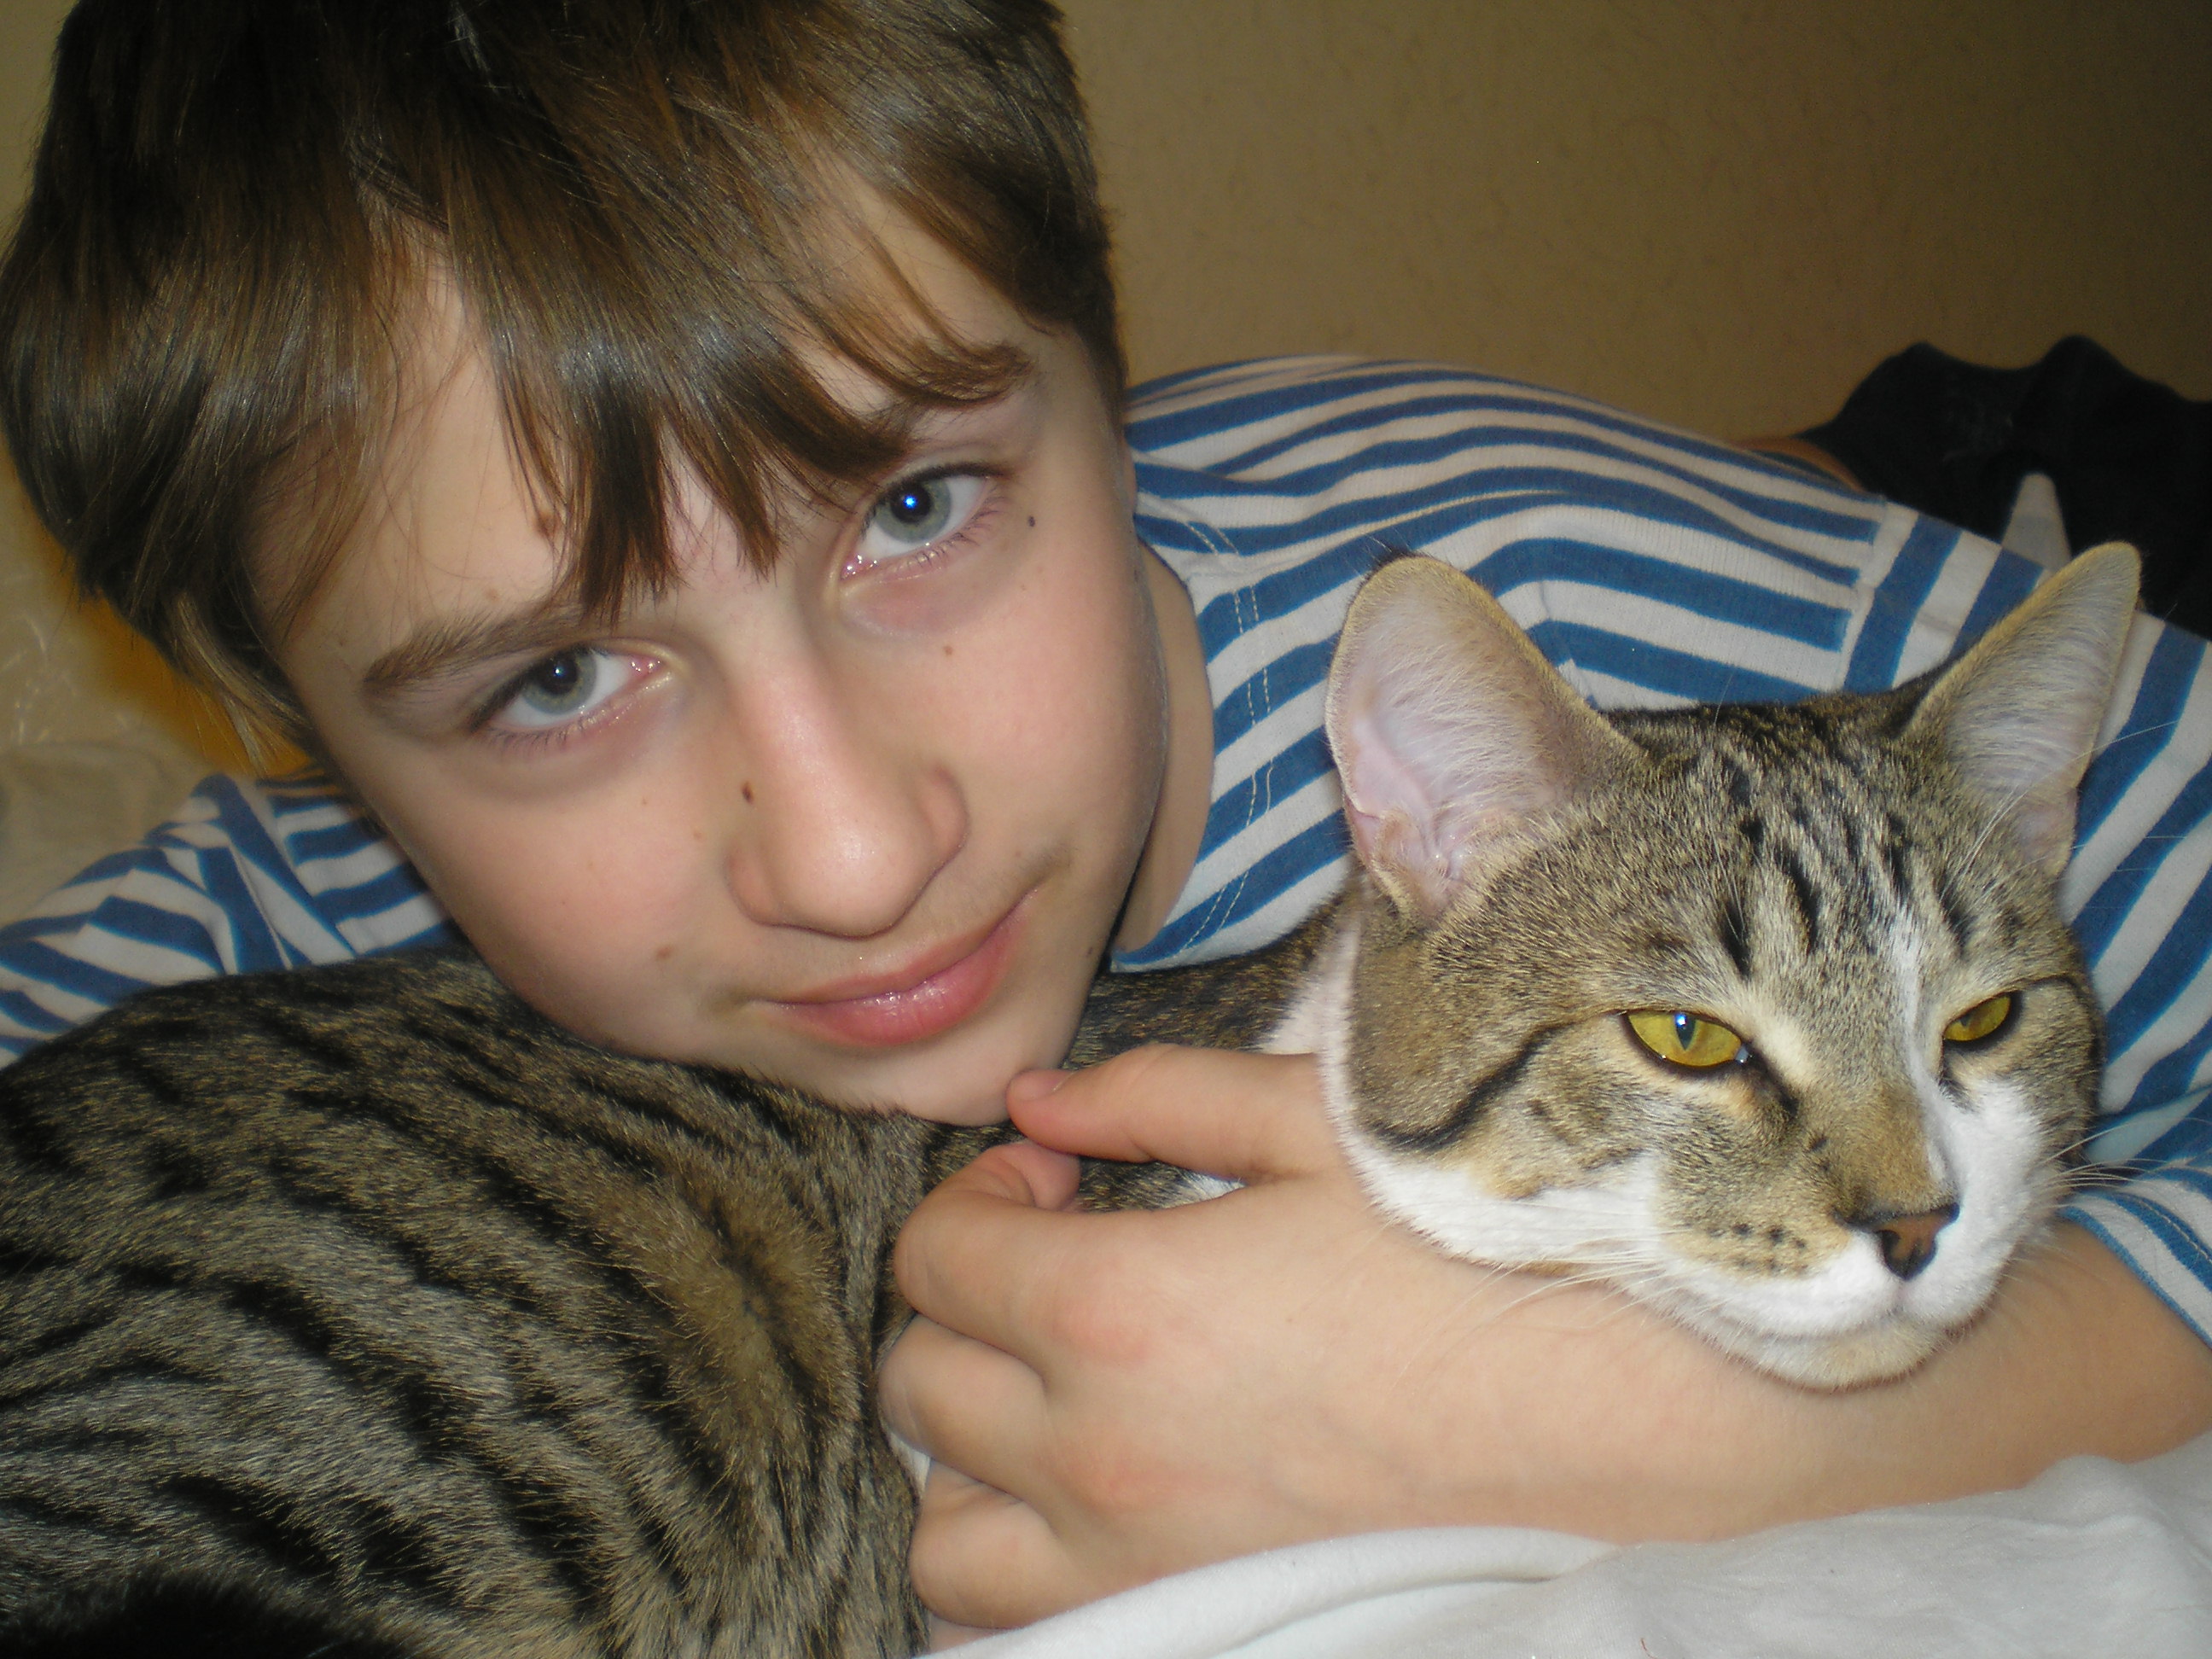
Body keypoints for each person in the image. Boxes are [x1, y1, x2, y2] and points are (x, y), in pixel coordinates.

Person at [2, 0, 2209, 1644]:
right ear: (306, 738)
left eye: (917, 507)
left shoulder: (1576, 616)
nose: (856, 856)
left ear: (1110, 373)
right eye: (557, 678)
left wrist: (1697, 1434)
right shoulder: (330, 870)